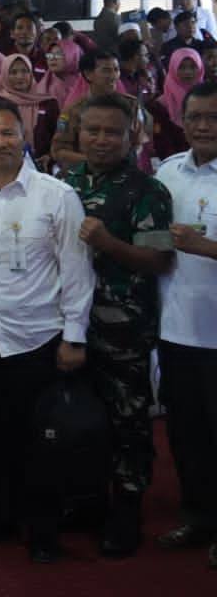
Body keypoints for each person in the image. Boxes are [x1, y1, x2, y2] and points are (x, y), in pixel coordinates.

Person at [0, 100, 92, 564]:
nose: (0, 143)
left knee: (41, 439)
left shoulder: (56, 195)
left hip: (38, 338)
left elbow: (76, 270)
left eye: (7, 133)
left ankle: (43, 529)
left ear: (23, 133)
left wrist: (75, 336)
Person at [60, 94, 175, 556]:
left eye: (113, 132)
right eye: (93, 130)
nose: (102, 140)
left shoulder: (148, 190)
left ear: (132, 136)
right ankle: (88, 499)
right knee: (80, 418)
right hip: (70, 323)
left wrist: (109, 243)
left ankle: (127, 509)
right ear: (79, 133)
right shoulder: (64, 183)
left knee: (128, 421)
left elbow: (159, 260)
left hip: (124, 327)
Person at [152, 81, 217, 569]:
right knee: (186, 433)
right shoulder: (167, 172)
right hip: (175, 328)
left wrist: (206, 248)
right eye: (195, 116)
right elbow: (153, 240)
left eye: (213, 117)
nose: (203, 126)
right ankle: (198, 516)